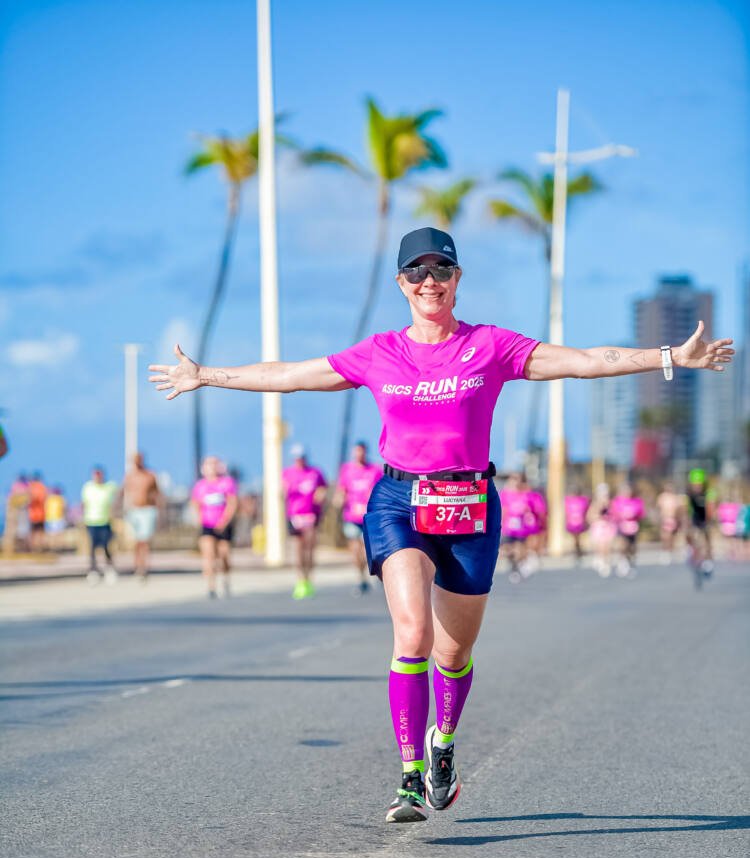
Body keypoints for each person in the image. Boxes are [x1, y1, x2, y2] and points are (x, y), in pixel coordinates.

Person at [149, 225, 734, 824]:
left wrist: (668, 356)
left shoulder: (491, 346)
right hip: (399, 502)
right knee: (412, 635)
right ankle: (407, 778)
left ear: (457, 280)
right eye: (417, 273)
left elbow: (583, 362)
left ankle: (442, 746)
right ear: (401, 284)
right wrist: (207, 375)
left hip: (472, 507)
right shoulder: (379, 352)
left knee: (454, 651)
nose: (429, 282)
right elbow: (292, 373)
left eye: (441, 271)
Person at [335, 441, 383, 594]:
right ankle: (361, 578)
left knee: (366, 548)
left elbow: (381, 490)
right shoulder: (347, 470)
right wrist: (339, 499)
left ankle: (372, 573)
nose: (359, 454)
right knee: (355, 549)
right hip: (351, 516)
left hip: (368, 516)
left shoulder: (374, 470)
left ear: (365, 452)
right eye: (356, 451)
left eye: (361, 451)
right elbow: (342, 489)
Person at [282, 445, 327, 599]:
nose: (299, 460)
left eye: (301, 457)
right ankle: (300, 580)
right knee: (298, 549)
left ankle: (309, 577)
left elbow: (323, 488)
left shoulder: (315, 472)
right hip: (295, 515)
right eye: (296, 457)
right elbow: (281, 491)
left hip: (311, 514)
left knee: (309, 548)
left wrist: (319, 497)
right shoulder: (287, 473)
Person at [191, 456, 239, 600]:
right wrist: (199, 517)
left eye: (214, 464)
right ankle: (211, 586)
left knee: (224, 554)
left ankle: (226, 577)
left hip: (223, 525)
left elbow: (232, 503)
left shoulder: (227, 483)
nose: (211, 467)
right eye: (208, 464)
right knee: (208, 554)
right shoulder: (200, 486)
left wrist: (224, 521)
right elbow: (195, 503)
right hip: (207, 524)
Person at [122, 452, 162, 581]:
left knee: (144, 540)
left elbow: (157, 492)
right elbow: (123, 492)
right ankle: (137, 565)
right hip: (134, 511)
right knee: (136, 541)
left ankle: (144, 567)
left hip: (147, 510)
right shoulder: (129, 476)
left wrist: (159, 509)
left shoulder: (150, 475)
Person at [81, 466, 119, 584]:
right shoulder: (87, 487)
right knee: (92, 548)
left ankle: (109, 569)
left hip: (105, 521)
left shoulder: (109, 487)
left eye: (99, 474)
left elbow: (120, 494)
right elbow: (84, 504)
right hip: (91, 522)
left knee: (106, 546)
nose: (97, 477)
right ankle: (93, 570)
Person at [499, 473, 532, 583]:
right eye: (513, 480)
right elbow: (503, 509)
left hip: (521, 527)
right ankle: (514, 565)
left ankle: (516, 568)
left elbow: (530, 509)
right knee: (505, 549)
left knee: (519, 549)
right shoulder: (505, 494)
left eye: (517, 480)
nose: (515, 482)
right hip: (508, 527)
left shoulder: (526, 494)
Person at [610, 483, 645, 576]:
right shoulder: (617, 501)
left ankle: (630, 561)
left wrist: (633, 516)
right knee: (623, 545)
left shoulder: (636, 501)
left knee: (632, 547)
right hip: (621, 526)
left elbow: (641, 514)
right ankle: (622, 562)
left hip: (632, 527)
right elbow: (613, 514)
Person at [685, 468, 715, 575]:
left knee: (707, 538)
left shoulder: (708, 493)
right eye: (695, 484)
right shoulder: (689, 494)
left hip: (705, 517)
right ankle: (692, 551)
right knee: (691, 534)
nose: (697, 487)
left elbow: (710, 508)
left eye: (699, 484)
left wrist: (708, 523)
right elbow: (687, 509)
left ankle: (708, 560)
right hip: (695, 517)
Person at [588, 483, 617, 577]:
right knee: (600, 545)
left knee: (607, 545)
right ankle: (600, 559)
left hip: (608, 527)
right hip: (599, 527)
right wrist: (599, 514)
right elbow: (590, 517)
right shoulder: (595, 504)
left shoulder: (610, 503)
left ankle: (606, 562)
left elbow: (614, 514)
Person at [656, 481, 685, 561]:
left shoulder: (675, 498)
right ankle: (665, 550)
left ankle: (670, 550)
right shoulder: (662, 497)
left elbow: (680, 509)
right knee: (665, 536)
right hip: (665, 519)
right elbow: (659, 508)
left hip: (673, 519)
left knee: (672, 536)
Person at [564, 487, 590, 564]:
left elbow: (586, 511)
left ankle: (579, 551)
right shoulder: (568, 501)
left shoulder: (583, 501)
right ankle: (576, 552)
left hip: (580, 523)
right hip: (572, 524)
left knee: (579, 539)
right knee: (574, 539)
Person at [28, 471, 47, 552]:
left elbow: (31, 499)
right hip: (39, 514)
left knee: (34, 533)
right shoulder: (42, 487)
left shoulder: (31, 487)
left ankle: (35, 548)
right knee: (38, 532)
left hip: (34, 514)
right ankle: (37, 548)